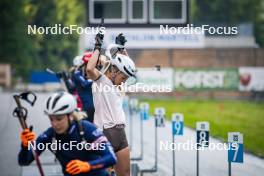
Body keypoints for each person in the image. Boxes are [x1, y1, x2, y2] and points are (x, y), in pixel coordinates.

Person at [18, 92, 117, 176]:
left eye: (59, 119)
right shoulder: (50, 135)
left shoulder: (87, 129)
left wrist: (87, 165)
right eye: (51, 119)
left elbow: (111, 158)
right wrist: (25, 146)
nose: (54, 124)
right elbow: (24, 161)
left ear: (70, 116)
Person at [86, 33, 136, 176]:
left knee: (125, 174)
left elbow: (126, 64)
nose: (124, 81)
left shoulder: (118, 84)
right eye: (123, 77)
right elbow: (89, 69)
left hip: (120, 133)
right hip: (104, 133)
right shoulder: (101, 80)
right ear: (114, 71)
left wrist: (121, 47)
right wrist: (97, 47)